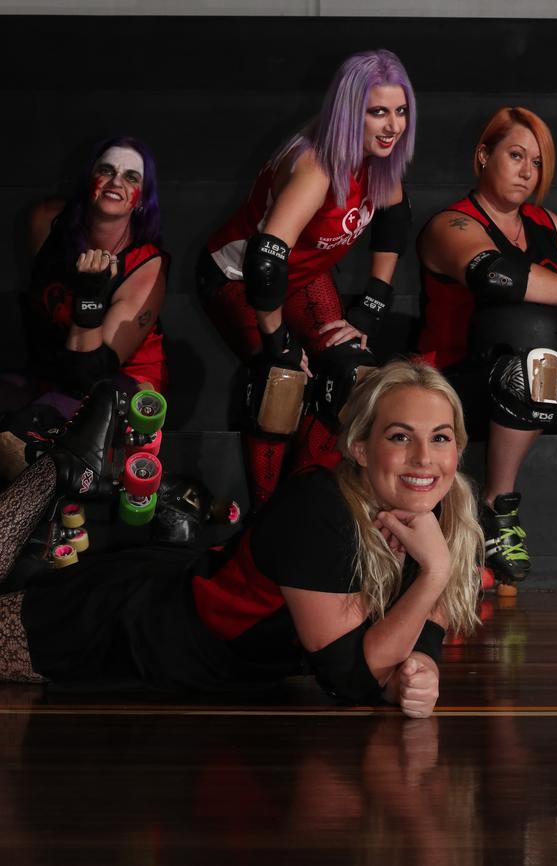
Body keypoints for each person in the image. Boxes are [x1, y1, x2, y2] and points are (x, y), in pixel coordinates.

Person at [0, 359, 483, 718]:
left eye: (440, 438)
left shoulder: (451, 514)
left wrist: (418, 669)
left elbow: (424, 631)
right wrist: (434, 576)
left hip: (186, 608)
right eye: (401, 437)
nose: (425, 458)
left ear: (457, 448)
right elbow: (348, 679)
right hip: (136, 627)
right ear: (359, 446)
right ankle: (56, 471)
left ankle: (60, 480)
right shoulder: (321, 507)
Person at [416, 106, 557, 585]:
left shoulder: (546, 224)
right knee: (535, 334)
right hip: (453, 389)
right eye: (515, 155)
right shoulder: (452, 225)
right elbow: (495, 275)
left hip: (542, 382)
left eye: (537, 163)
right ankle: (498, 509)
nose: (527, 171)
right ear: (484, 156)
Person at [197, 49, 415, 506]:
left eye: (400, 111)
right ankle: (266, 514)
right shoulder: (316, 167)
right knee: (282, 377)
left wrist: (373, 303)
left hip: (301, 276)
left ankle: (306, 500)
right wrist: (278, 343)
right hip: (236, 279)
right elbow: (265, 262)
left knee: (352, 370)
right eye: (378, 112)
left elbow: (395, 218)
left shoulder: (380, 157)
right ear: (349, 112)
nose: (393, 125)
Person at [0, 135, 168, 480]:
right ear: (89, 180)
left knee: (20, 441)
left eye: (131, 177)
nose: (115, 182)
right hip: (55, 368)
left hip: (117, 382)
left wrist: (89, 296)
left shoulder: (146, 266)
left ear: (141, 200)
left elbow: (89, 375)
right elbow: (38, 315)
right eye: (106, 170)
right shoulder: (47, 222)